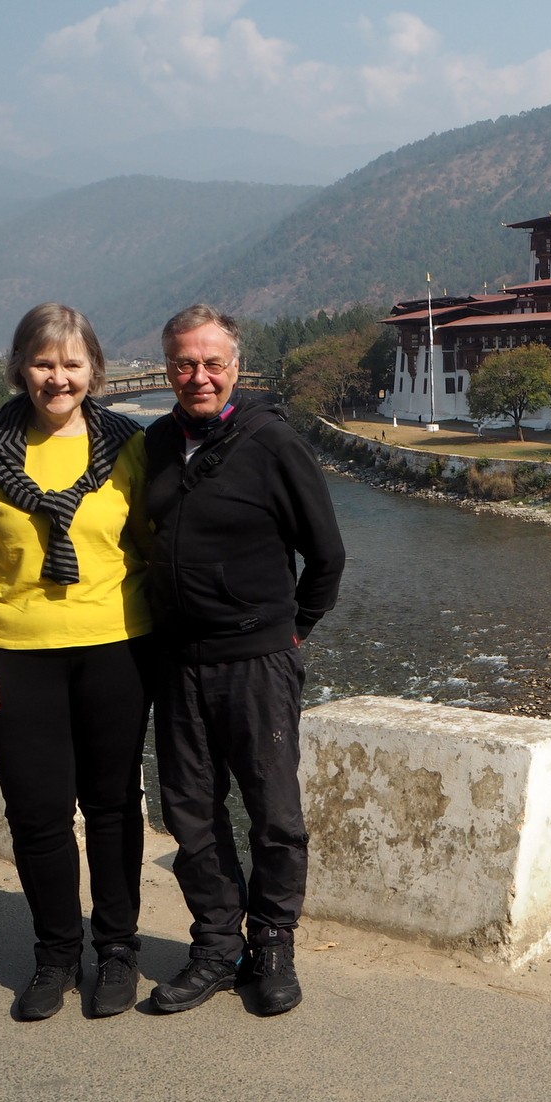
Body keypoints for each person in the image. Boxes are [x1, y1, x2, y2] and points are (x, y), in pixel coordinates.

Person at [0, 303, 151, 1021]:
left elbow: (155, 545)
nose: (57, 378)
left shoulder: (126, 444)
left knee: (114, 806)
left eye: (71, 363)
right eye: (43, 363)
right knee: (38, 814)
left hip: (116, 647)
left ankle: (117, 950)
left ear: (94, 370)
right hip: (15, 655)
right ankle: (56, 954)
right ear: (20, 369)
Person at [144, 304, 344, 1016]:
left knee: (273, 811)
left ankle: (273, 944)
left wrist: (291, 632)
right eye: (184, 363)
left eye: (212, 363)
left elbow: (326, 556)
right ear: (168, 369)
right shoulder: (156, 442)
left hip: (257, 660)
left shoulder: (274, 442)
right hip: (178, 661)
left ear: (236, 367)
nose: (198, 376)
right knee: (190, 813)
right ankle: (216, 946)